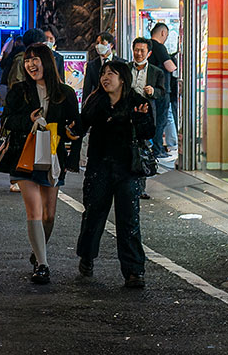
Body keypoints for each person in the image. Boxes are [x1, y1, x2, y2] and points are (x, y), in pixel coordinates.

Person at [0, 43, 81, 285]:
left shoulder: (65, 92)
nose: (31, 64)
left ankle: (38, 248)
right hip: (25, 155)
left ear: (47, 62)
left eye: (36, 59)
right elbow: (7, 121)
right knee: (34, 210)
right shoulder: (19, 90)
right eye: (28, 60)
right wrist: (27, 119)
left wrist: (71, 132)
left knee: (49, 215)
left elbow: (76, 125)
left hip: (52, 157)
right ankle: (43, 264)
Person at [75, 57, 153, 289]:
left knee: (129, 219)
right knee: (93, 215)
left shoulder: (137, 101)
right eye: (103, 74)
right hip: (99, 166)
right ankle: (87, 257)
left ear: (122, 78)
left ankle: (134, 271)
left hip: (128, 168)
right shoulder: (95, 100)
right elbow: (81, 126)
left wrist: (138, 119)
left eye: (111, 74)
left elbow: (149, 131)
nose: (105, 78)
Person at [128, 38, 168, 199]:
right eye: (136, 50)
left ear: (149, 53)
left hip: (145, 115)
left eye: (142, 51)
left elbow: (162, 92)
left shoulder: (156, 72)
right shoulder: (125, 69)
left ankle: (140, 187)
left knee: (142, 150)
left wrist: (152, 92)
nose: (138, 53)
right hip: (127, 113)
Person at [149, 21, 180, 170]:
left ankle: (160, 148)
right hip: (162, 89)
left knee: (161, 118)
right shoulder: (159, 46)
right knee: (161, 120)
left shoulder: (149, 46)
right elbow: (170, 67)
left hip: (154, 88)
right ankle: (158, 150)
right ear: (163, 33)